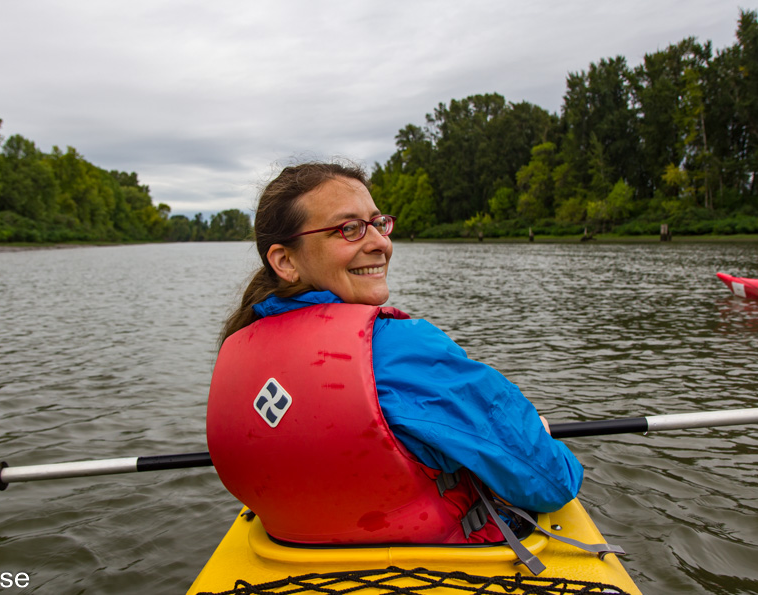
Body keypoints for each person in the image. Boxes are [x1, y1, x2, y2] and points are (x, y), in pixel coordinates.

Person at [206, 161, 583, 546]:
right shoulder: (400, 350)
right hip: (431, 563)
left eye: (377, 223)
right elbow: (551, 481)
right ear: (285, 261)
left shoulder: (238, 348)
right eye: (348, 229)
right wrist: (540, 439)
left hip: (291, 549)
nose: (380, 243)